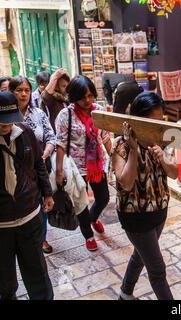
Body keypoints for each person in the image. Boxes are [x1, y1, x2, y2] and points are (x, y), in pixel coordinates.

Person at [112, 92, 178, 300]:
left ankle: (125, 291)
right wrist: (133, 149)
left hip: (159, 211)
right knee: (157, 269)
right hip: (135, 216)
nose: (156, 126)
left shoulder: (162, 141)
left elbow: (175, 173)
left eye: (160, 121)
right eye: (152, 121)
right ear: (138, 119)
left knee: (141, 255)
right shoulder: (121, 145)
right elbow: (126, 182)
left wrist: (163, 158)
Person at [0, 91, 54, 300]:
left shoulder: (25, 132)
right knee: (5, 277)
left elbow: (39, 165)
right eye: (1, 122)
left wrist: (47, 193)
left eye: (11, 121)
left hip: (30, 216)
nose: (7, 126)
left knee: (37, 271)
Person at [55, 75, 111, 251]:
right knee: (80, 203)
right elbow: (61, 144)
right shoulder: (66, 115)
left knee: (103, 197)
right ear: (74, 96)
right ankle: (88, 235)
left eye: (90, 95)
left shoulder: (99, 110)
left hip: (97, 165)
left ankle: (93, 218)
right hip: (76, 168)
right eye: (82, 97)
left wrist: (117, 161)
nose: (87, 100)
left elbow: (106, 137)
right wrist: (59, 171)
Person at [9, 76, 56, 254]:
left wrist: (45, 153)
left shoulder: (38, 114)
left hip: (38, 169)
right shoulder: (5, 116)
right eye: (19, 90)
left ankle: (41, 238)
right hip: (15, 171)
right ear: (11, 92)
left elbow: (51, 136)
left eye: (27, 90)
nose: (23, 94)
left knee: (41, 205)